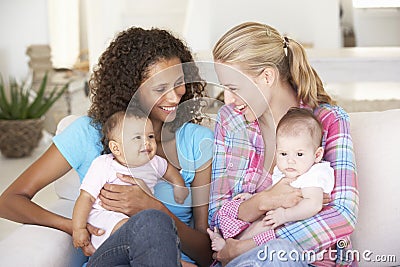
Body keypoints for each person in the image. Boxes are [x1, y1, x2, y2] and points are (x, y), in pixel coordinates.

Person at [0, 27, 214, 267]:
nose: (175, 97)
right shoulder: (87, 133)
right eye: (160, 88)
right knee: (151, 223)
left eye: (179, 83)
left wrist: (153, 207)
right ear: (131, 88)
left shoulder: (198, 142)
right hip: (112, 258)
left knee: (153, 220)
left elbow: (206, 254)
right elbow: (9, 201)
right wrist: (77, 227)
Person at [208, 22, 358, 266]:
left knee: (277, 253)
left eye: (233, 88)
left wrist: (250, 244)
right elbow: (217, 219)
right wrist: (264, 201)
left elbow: (343, 216)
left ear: (267, 76)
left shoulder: (328, 121)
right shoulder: (229, 121)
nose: (228, 98)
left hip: (305, 261)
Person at [207, 107, 334, 252]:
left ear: (317, 155)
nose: (290, 161)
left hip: (295, 232)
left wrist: (285, 215)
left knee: (265, 224)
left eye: (299, 154)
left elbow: (314, 205)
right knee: (255, 219)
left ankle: (232, 247)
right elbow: (273, 193)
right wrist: (254, 197)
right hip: (279, 219)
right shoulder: (286, 171)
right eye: (284, 153)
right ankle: (230, 243)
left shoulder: (314, 174)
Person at [72, 108, 189, 250]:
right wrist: (78, 228)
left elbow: (169, 170)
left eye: (150, 136)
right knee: (132, 228)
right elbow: (86, 197)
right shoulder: (104, 164)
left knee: (155, 230)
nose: (146, 142)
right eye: (137, 138)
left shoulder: (154, 162)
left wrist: (179, 186)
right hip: (105, 220)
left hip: (140, 224)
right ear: (116, 148)